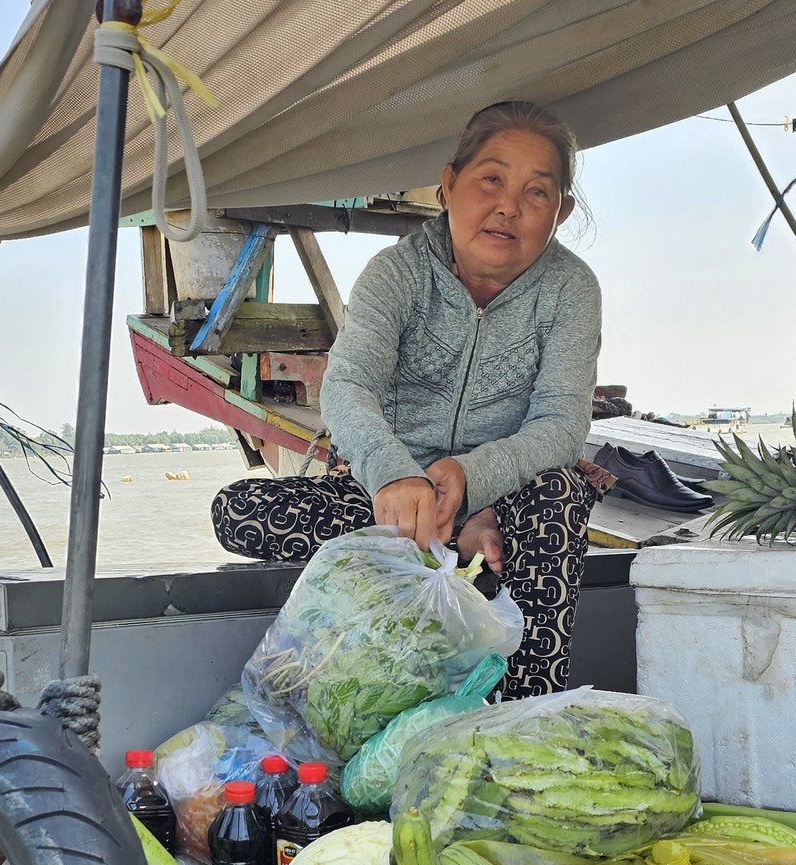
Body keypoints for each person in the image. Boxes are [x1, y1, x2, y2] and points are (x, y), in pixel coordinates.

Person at [211, 100, 610, 698]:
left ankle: (524, 717)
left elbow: (559, 424)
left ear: (562, 211)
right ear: (449, 186)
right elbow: (348, 387)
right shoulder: (396, 273)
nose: (508, 206)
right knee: (236, 510)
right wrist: (398, 480)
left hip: (506, 500)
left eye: (537, 193)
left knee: (556, 499)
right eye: (491, 180)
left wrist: (471, 484)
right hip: (387, 499)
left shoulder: (570, 288)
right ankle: (447, 547)